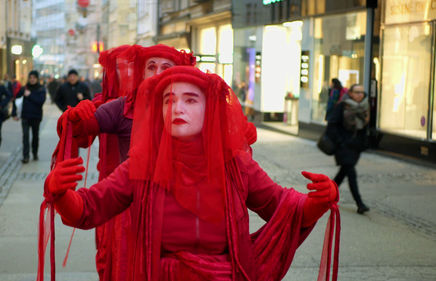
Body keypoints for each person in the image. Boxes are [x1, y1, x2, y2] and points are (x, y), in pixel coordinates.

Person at [44, 66, 339, 280]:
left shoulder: (237, 165)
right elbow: (90, 208)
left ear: (209, 109)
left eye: (190, 100)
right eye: (168, 101)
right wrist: (61, 194)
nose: (177, 108)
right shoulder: (142, 165)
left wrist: (319, 201)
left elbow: (284, 208)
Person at [66, 44, 197, 281]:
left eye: (166, 67)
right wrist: (79, 117)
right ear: (142, 72)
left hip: (180, 212)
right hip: (132, 213)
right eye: (151, 67)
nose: (158, 72)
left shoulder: (194, 109)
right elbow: (84, 126)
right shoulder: (124, 107)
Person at [327, 84, 370, 214]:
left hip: (355, 147)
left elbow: (364, 128)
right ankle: (360, 203)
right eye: (357, 92)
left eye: (362, 92)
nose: (360, 95)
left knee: (342, 174)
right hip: (343, 146)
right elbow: (332, 124)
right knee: (351, 173)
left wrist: (362, 144)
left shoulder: (364, 107)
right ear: (350, 93)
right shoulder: (342, 106)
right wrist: (340, 141)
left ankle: (327, 196)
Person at [12, 70, 46, 163]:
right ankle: (25, 156)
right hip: (25, 116)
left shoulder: (41, 89)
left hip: (36, 117)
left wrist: (30, 95)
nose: (32, 80)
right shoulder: (24, 88)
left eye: (34, 78)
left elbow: (41, 101)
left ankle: (35, 153)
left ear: (37, 79)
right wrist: (14, 113)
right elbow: (16, 99)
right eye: (30, 78)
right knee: (25, 137)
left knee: (35, 137)